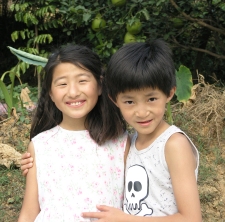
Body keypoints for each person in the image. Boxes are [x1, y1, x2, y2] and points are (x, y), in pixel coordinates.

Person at [81, 39, 202, 221]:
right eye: (129, 102)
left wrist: (126, 219)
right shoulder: (130, 142)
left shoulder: (174, 145)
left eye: (151, 99)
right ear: (115, 100)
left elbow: (191, 218)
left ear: (169, 93)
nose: (142, 112)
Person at [18, 44, 129, 222]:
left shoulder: (121, 142)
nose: (73, 92)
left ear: (100, 86)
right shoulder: (40, 146)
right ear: (51, 94)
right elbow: (28, 213)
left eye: (82, 81)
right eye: (62, 84)